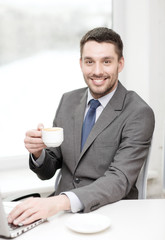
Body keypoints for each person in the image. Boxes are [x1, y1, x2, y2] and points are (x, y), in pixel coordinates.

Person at [8, 27, 155, 226]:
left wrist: (58, 202)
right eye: (89, 62)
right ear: (81, 64)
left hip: (111, 213)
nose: (97, 71)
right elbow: (49, 169)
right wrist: (38, 154)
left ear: (120, 64)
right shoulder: (68, 101)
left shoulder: (138, 113)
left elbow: (119, 179)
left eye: (106, 61)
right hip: (61, 213)